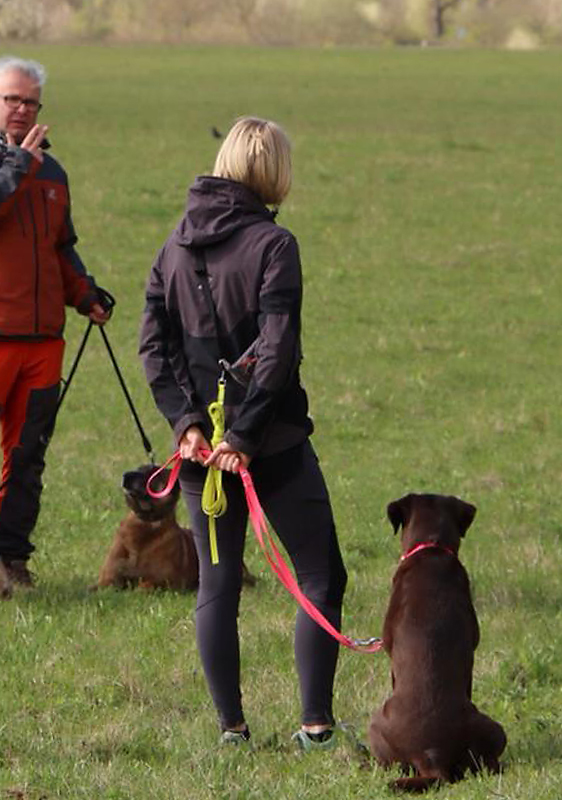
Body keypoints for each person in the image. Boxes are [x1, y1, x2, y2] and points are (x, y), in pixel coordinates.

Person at [139, 117, 348, 748]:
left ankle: (231, 728)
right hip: (271, 446)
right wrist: (245, 437)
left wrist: (189, 426)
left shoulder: (173, 245)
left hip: (203, 456)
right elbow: (278, 351)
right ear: (273, 173)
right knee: (321, 577)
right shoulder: (274, 246)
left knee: (218, 582)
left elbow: (155, 345)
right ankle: (315, 726)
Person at [0, 56, 111, 587]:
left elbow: (60, 249)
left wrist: (85, 295)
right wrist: (15, 168)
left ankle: (12, 560)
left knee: (27, 459)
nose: (21, 109)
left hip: (41, 341)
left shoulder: (50, 171)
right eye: (12, 99)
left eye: (31, 101)